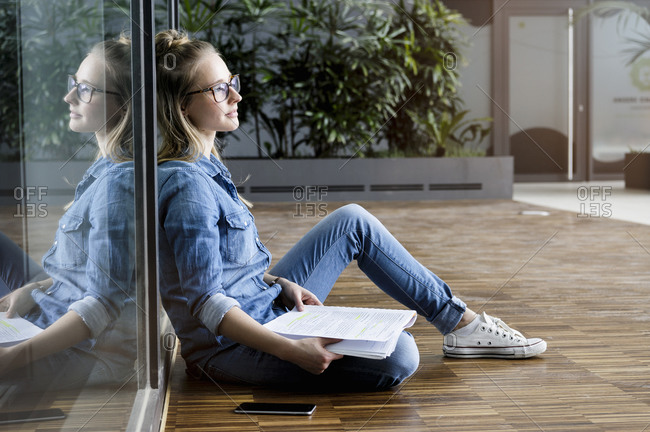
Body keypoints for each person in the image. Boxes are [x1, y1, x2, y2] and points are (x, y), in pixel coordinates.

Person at [154, 30, 546, 391]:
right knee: (400, 355)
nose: (236, 96)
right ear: (184, 107)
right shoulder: (188, 185)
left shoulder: (207, 166)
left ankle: (462, 324)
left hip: (266, 303)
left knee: (351, 220)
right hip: (227, 347)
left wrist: (279, 283)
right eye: (220, 90)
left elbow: (219, 269)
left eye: (232, 83)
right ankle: (454, 326)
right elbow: (206, 302)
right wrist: (293, 350)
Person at [0, 35, 137, 395]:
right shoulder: (106, 167)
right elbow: (105, 275)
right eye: (73, 85)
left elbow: (105, 302)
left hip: (89, 352)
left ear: (124, 105)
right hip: (55, 306)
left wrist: (16, 356)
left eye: (86, 89)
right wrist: (34, 289)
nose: (69, 97)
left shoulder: (119, 185)